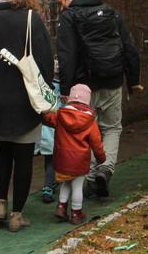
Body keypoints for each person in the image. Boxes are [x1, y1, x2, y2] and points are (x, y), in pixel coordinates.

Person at [0, 0, 54, 232]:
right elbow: (46, 64)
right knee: (24, 158)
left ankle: (0, 204)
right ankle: (17, 215)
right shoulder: (32, 20)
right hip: (25, 101)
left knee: (2, 153)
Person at [55, 0, 142, 198]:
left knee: (86, 130)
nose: (62, 7)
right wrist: (133, 80)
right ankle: (105, 169)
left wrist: (65, 88)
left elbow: (67, 55)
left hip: (84, 86)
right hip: (113, 80)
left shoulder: (69, 17)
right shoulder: (111, 12)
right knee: (112, 128)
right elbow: (128, 48)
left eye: (61, 1)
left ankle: (92, 178)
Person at [43, 84, 106, 224]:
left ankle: (61, 207)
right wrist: (101, 158)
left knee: (65, 183)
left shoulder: (60, 115)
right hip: (79, 161)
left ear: (70, 99)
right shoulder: (90, 121)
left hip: (62, 159)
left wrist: (44, 110)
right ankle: (76, 213)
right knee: (77, 186)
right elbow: (96, 143)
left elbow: (48, 119)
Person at [36, 79, 60, 203]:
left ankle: (48, 185)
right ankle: (50, 185)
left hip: (44, 91)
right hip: (60, 93)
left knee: (49, 152)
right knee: (52, 154)